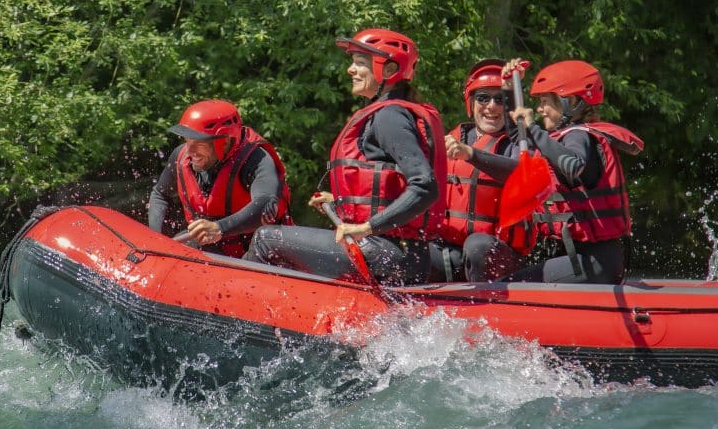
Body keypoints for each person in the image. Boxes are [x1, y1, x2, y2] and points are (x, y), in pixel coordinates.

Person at [243, 28, 446, 286]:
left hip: (389, 253)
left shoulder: (390, 116)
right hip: (398, 252)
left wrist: (366, 227)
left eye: (360, 63)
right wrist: (339, 200)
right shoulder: (390, 112)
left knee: (265, 239)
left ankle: (236, 312)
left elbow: (425, 186)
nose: (350, 70)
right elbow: (390, 188)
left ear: (388, 70)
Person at [463, 59, 644, 284]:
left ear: (572, 102)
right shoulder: (559, 139)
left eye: (546, 102)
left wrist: (533, 128)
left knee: (504, 288)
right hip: (579, 259)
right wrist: (508, 89)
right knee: (506, 283)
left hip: (595, 261)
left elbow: (573, 165)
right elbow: (517, 137)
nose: (540, 109)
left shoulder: (580, 136)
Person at [147, 99, 293, 258]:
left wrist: (219, 228)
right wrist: (157, 238)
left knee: (263, 244)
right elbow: (160, 195)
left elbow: (265, 204)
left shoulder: (256, 160)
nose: (190, 151)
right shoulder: (181, 156)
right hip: (215, 247)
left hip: (259, 251)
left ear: (226, 141)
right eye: (187, 140)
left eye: (200, 143)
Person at [430, 59, 528, 282]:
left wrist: (471, 154)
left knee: (477, 245)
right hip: (450, 250)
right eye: (483, 98)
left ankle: (488, 309)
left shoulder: (519, 143)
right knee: (416, 253)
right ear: (471, 103)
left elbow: (522, 174)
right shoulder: (450, 139)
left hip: (496, 254)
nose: (491, 106)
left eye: (500, 99)